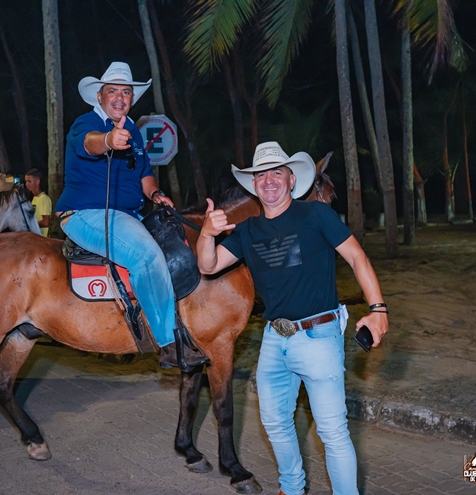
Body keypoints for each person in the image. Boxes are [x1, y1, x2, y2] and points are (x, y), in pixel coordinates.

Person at [197, 141, 389, 495]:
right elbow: (208, 266)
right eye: (261, 175)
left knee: (332, 432)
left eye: (276, 172)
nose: (269, 180)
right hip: (274, 339)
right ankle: (292, 488)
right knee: (275, 423)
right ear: (254, 185)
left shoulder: (316, 215)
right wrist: (207, 234)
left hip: (319, 336)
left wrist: (377, 309)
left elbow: (357, 258)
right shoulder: (247, 231)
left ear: (291, 179)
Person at [55, 61, 207, 371]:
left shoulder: (135, 132)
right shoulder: (85, 123)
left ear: (132, 98)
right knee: (147, 257)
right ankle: (169, 344)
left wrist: (155, 194)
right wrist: (109, 140)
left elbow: (145, 175)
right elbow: (90, 144)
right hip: (86, 214)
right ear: (100, 96)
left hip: (129, 215)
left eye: (126, 92)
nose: (120, 97)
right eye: (113, 91)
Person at [24, 169, 52, 237]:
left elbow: (46, 222)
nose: (26, 184)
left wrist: (29, 224)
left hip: (42, 238)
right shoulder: (34, 198)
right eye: (26, 181)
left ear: (37, 182)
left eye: (29, 181)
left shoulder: (43, 198)